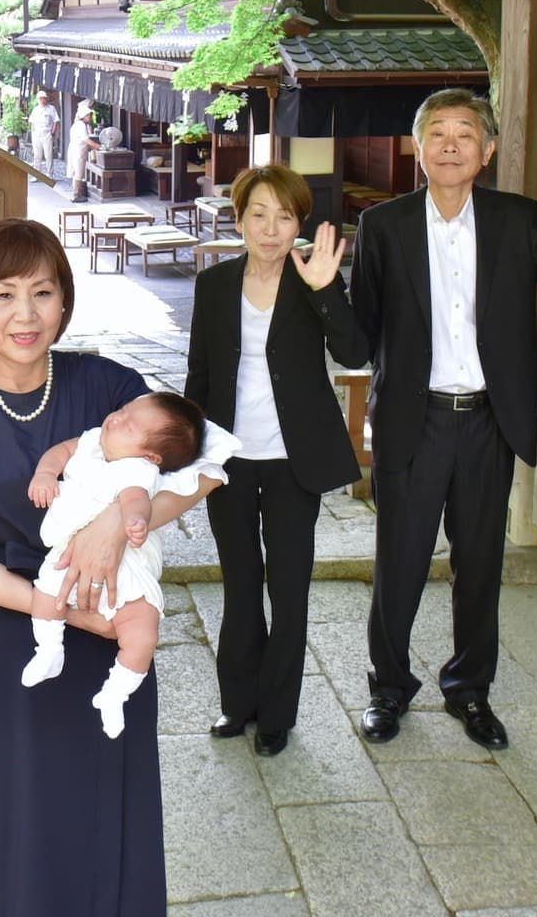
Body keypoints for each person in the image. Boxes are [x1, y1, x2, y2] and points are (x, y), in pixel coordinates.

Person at [0, 218, 226, 916]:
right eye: (4, 294)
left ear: (65, 302)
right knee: (26, 826)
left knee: (115, 815)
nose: (25, 314)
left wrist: (114, 525)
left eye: (42, 293)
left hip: (117, 641)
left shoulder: (107, 385)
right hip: (15, 641)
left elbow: (208, 467)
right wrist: (72, 612)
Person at [350, 89, 537, 751]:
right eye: (438, 133)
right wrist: (324, 292)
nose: (452, 144)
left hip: (488, 421)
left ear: (487, 150)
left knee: (481, 565)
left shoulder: (516, 219)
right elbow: (359, 337)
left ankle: (469, 691)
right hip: (415, 418)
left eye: (467, 133)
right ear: (418, 147)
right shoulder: (385, 225)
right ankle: (389, 689)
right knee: (399, 564)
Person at [185, 164, 368, 756]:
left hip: (295, 462)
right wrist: (189, 457)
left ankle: (276, 718)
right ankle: (237, 705)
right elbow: (200, 376)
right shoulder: (214, 287)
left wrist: (324, 290)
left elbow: (356, 352)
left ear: (299, 224)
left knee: (288, 592)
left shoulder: (312, 279)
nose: (270, 229)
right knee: (240, 587)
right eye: (257, 215)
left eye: (284, 216)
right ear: (237, 220)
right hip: (231, 461)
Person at [23, 391, 231, 739]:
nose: (116, 419)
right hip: (70, 552)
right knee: (45, 597)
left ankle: (115, 693)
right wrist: (46, 473)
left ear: (150, 454)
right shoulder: (91, 441)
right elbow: (61, 451)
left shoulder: (138, 470)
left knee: (142, 634)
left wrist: (132, 521)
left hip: (127, 569)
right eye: (121, 410)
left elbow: (136, 503)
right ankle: (48, 650)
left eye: (129, 424)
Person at [66, 100, 99, 202]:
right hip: (78, 151)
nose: (89, 118)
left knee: (77, 172)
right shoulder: (80, 125)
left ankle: (77, 193)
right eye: (88, 116)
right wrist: (98, 146)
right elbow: (86, 140)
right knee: (79, 173)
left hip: (76, 149)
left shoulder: (77, 124)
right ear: (84, 116)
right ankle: (76, 195)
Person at [28, 90, 59, 175]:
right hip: (37, 134)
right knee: (37, 155)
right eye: (40, 99)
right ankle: (36, 174)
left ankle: (50, 174)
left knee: (48, 155)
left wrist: (52, 133)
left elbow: (56, 121)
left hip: (47, 134)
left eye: (44, 98)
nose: (42, 100)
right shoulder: (35, 109)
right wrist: (33, 133)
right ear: (38, 100)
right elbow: (32, 122)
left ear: (46, 99)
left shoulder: (51, 108)